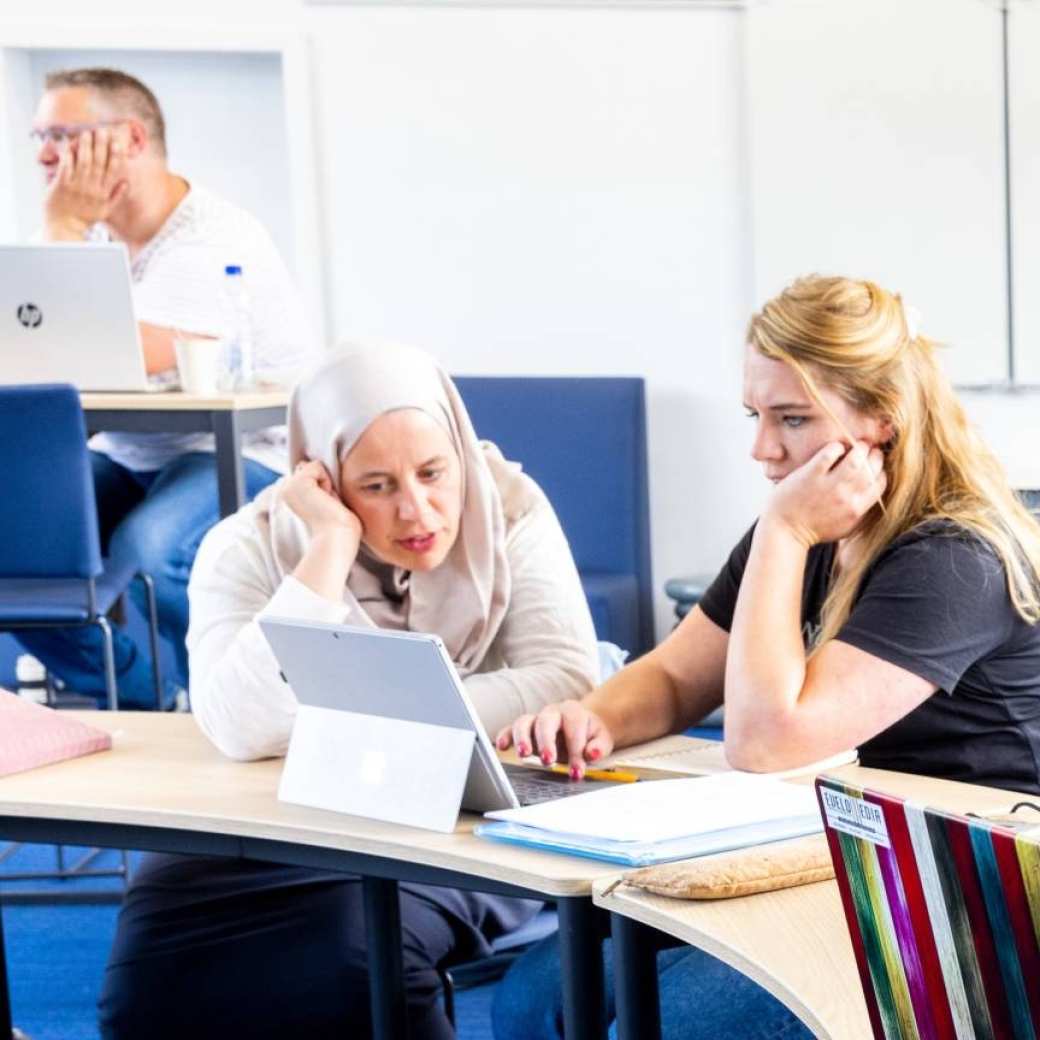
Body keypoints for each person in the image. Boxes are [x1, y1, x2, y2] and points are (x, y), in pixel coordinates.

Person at [492, 274, 1040, 1040]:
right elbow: (680, 674)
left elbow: (763, 741)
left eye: (791, 418)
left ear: (881, 420)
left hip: (960, 895)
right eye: (756, 414)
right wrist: (592, 716)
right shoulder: (805, 531)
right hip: (833, 857)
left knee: (666, 1026)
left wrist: (783, 535)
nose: (762, 448)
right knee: (535, 999)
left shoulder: (953, 556)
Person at [96, 343, 601, 1039]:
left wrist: (344, 717)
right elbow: (240, 728)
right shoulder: (251, 546)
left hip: (456, 807)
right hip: (272, 809)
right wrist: (327, 547)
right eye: (376, 486)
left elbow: (565, 677)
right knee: (155, 962)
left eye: (432, 473)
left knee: (356, 951)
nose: (417, 511)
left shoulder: (507, 507)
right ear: (325, 480)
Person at [15, 67, 316, 708]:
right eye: (40, 134)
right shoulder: (95, 238)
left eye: (64, 135)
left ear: (128, 139)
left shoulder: (209, 239)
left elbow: (93, 354)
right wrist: (68, 231)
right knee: (16, 543)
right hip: (131, 456)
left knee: (148, 549)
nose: (44, 153)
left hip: (245, 455)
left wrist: (61, 227)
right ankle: (150, 694)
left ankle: (195, 706)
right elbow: (26, 352)